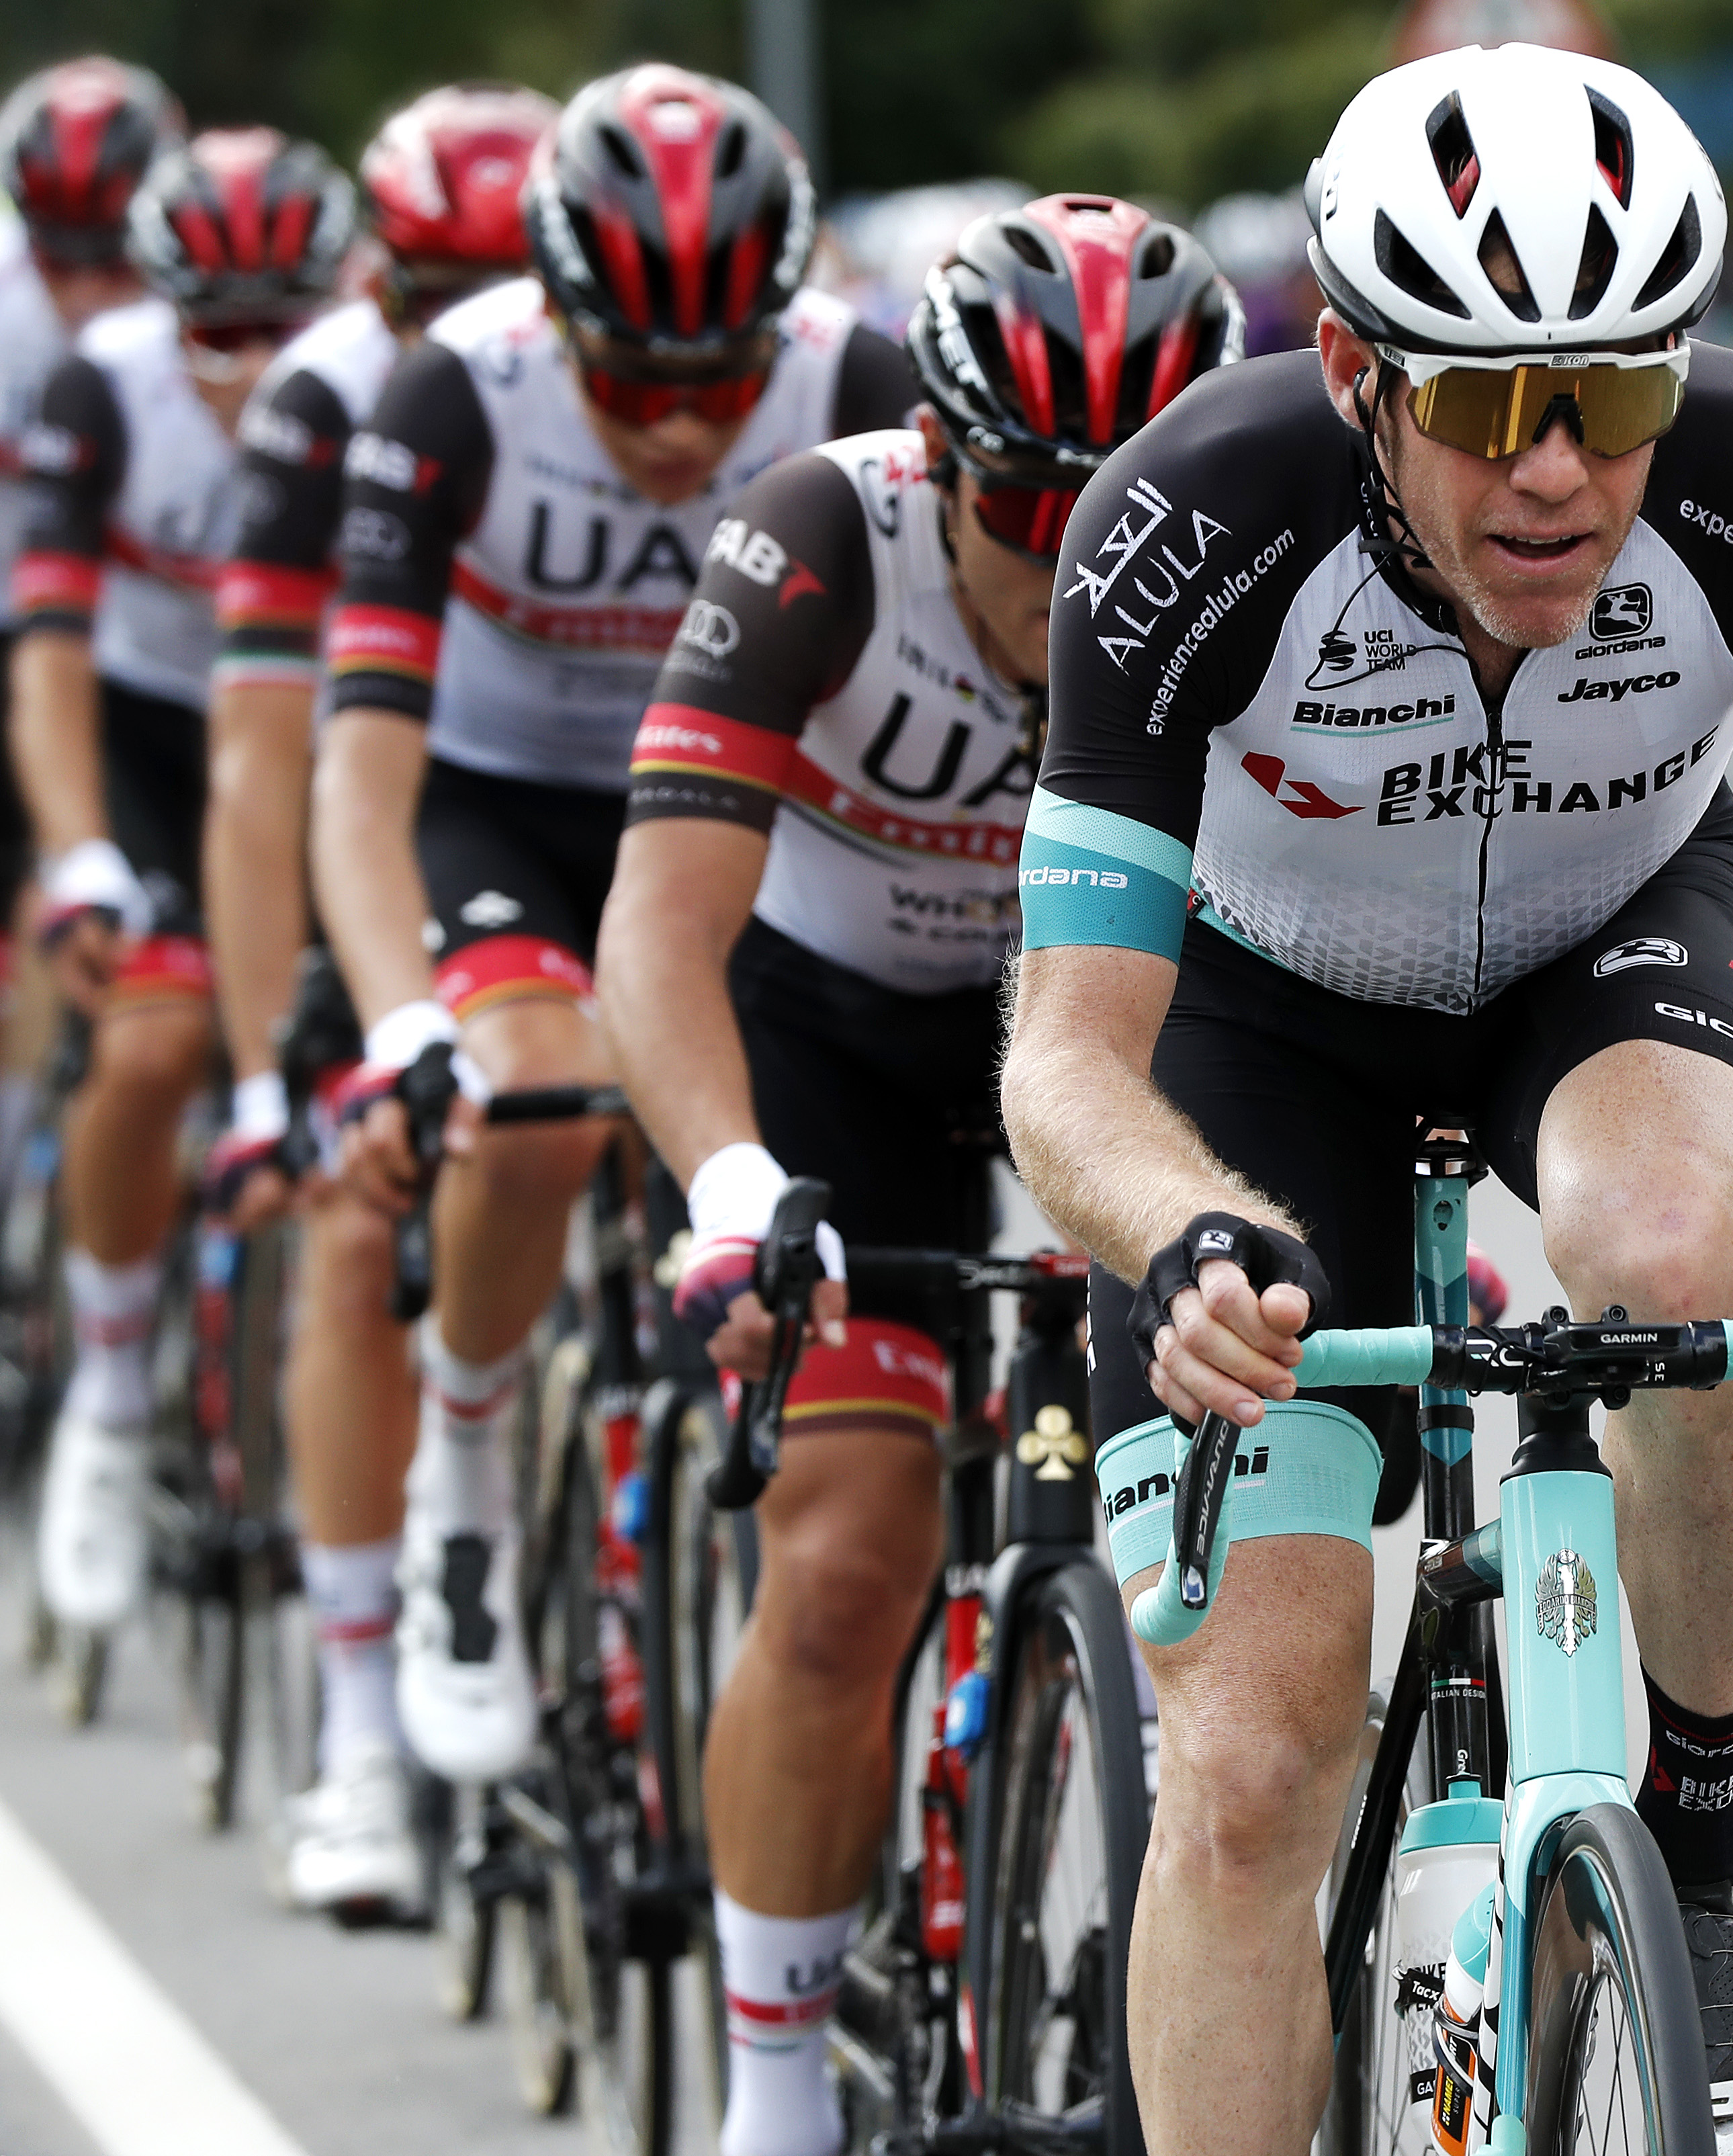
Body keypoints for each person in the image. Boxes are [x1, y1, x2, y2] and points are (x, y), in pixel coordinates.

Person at [999, 44, 1733, 2156]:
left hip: (1600, 952)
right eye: (1491, 405)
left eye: (1613, 395)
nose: (1558, 475)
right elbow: (1065, 1049)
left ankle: (1693, 1875)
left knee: (1677, 1242)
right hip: (1258, 1016)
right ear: (1350, 368)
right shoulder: (1183, 521)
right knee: (1244, 1772)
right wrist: (1181, 1231)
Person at [600, 192, 1239, 2156]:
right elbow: (655, 927)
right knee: (855, 1548)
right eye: (1031, 512)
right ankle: (774, 2099)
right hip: (839, 1039)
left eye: (1118, 509)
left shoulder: (1257, 556)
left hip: (1111, 1042)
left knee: (1221, 1585)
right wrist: (723, 1182)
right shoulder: (820, 533)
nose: (1075, 572)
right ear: (942, 457)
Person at [310, 63, 914, 1786]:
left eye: (716, 377)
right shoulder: (455, 390)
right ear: (553, 316)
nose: (675, 426)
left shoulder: (851, 374)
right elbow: (356, 770)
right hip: (504, 797)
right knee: (536, 1097)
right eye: (633, 376)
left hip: (740, 817)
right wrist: (397, 1022)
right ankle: (471, 1467)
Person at [204, 80, 560, 1919]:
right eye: (434, 283)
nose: (480, 322)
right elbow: (276, 766)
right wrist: (292, 1060)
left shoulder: (701, 374)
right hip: (430, 809)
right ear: (376, 278)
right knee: (366, 1212)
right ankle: (358, 1732)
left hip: (680, 815)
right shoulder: (337, 401)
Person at [12, 126, 351, 1641]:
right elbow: (50, 647)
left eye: (282, 323)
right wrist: (80, 848)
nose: (252, 362)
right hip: (152, 737)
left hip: (323, 739)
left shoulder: (371, 390)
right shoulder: (105, 386)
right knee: (150, 1041)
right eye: (218, 331)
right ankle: (104, 1376)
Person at [0, 58, 183, 1231]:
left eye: (110, 255)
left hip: (118, 648)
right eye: (57, 256)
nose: (84, 288)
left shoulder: (194, 318)